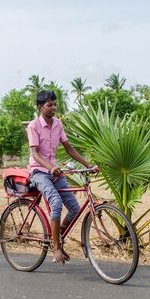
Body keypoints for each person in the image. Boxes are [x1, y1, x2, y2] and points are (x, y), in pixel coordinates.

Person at [27, 90, 97, 264]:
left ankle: (56, 236)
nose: (53, 108)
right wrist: (50, 168)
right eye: (49, 105)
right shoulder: (33, 126)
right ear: (40, 107)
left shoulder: (58, 124)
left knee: (74, 208)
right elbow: (35, 154)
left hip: (55, 172)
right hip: (39, 172)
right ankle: (56, 247)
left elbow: (69, 149)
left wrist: (89, 165)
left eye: (54, 104)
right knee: (56, 203)